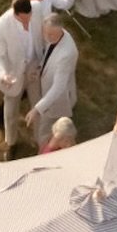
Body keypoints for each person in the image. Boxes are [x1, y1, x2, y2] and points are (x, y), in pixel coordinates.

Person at [0, 0, 34, 156]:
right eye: (23, 21)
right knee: (11, 112)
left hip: (33, 68)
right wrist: (3, 75)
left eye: (29, 19)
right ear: (15, 14)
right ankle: (11, 142)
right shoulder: (1, 27)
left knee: (38, 99)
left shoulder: (35, 10)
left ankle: (43, 134)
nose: (27, 24)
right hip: (13, 75)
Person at [25, 15, 78, 146]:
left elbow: (58, 88)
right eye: (45, 33)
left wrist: (36, 109)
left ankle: (44, 152)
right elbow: (49, 56)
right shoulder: (55, 37)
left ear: (61, 30)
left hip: (58, 100)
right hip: (50, 93)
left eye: (51, 35)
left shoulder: (66, 54)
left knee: (44, 132)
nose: (48, 37)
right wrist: (39, 69)